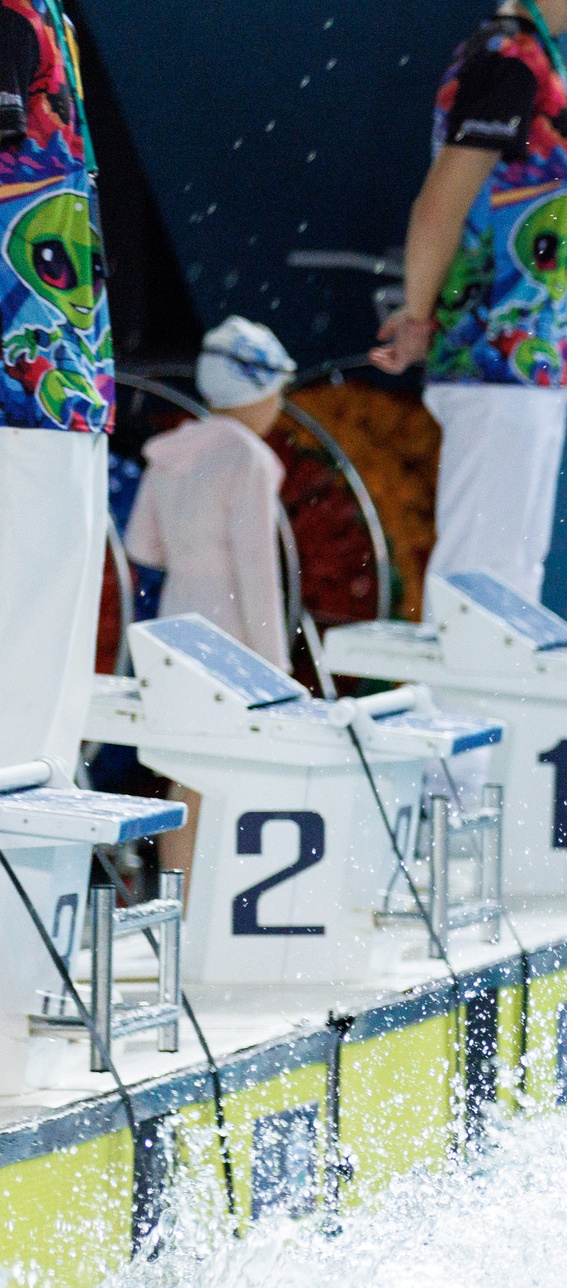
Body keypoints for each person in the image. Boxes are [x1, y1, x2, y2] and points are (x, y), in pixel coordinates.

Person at [370, 0, 567, 611]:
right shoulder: (509, 61)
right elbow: (440, 203)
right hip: (496, 362)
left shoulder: (531, 57)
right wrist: (417, 315)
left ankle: (487, 704)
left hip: (527, 363)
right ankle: (462, 707)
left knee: (509, 583)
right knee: (480, 592)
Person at [0, 0, 112, 772]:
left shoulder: (45, 17)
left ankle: (34, 886)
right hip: (19, 392)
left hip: (64, 385)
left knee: (52, 682)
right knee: (24, 677)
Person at [125, 318, 295, 671]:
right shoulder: (249, 458)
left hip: (174, 617)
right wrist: (275, 665)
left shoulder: (168, 450)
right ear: (258, 394)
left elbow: (141, 546)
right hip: (230, 627)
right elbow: (258, 570)